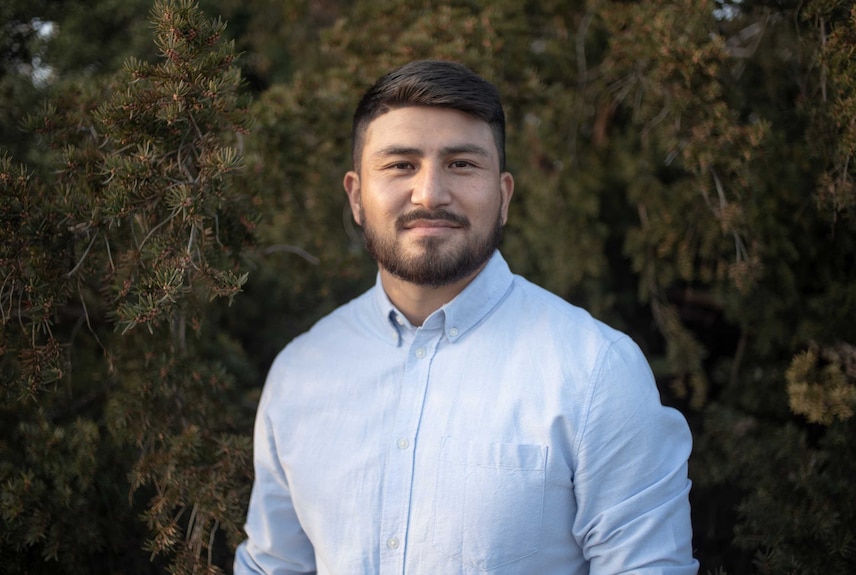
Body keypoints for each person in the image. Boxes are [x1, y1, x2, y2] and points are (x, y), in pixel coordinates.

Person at [234, 59, 698, 575]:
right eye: (400, 164)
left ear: (502, 197)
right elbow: (272, 566)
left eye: (461, 164)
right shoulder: (300, 373)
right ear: (356, 196)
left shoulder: (596, 371)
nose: (430, 193)